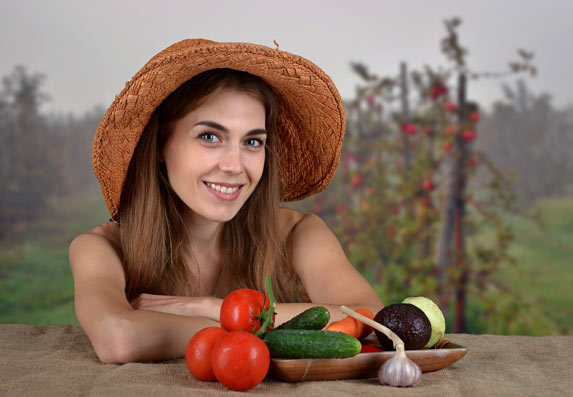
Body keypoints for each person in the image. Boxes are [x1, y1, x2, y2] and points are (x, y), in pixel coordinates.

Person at [69, 39, 383, 364]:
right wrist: (261, 327)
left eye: (252, 141)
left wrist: (214, 309)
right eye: (210, 137)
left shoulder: (297, 232)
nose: (234, 165)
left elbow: (371, 316)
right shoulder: (101, 248)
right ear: (162, 144)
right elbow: (120, 338)